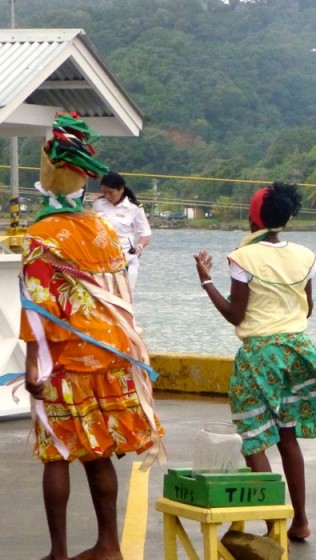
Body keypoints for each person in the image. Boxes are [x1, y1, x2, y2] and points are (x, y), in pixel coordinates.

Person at [21, 129, 164, 560]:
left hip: (65, 358)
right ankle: (109, 545)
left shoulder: (42, 234)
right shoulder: (101, 229)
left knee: (57, 454)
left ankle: (59, 551)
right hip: (112, 353)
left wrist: (32, 365)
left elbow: (39, 308)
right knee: (98, 450)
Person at [193, 182, 316, 542]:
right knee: (288, 438)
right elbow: (308, 308)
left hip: (260, 355)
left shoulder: (244, 259)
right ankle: (300, 520)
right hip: (297, 349)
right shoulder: (304, 255)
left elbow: (237, 316)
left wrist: (206, 281)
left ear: (254, 218)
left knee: (254, 439)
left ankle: (274, 527)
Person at [92, 171, 152, 293]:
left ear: (121, 189)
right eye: (104, 192)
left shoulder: (134, 208)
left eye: (111, 193)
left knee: (123, 296)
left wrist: (139, 247)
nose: (107, 196)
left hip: (125, 258)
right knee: (101, 296)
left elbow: (145, 233)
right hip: (101, 257)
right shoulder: (99, 204)